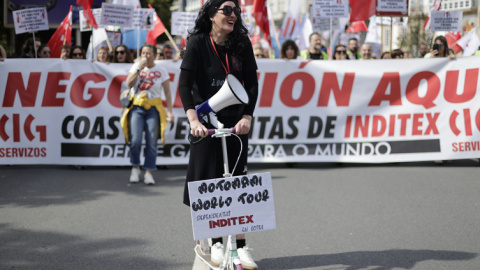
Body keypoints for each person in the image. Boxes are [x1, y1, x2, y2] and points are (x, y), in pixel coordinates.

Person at [178, 0, 259, 269]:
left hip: (235, 125)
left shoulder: (242, 43)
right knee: (207, 185)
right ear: (212, 14)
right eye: (227, 9)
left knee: (238, 185)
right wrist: (193, 118)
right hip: (204, 121)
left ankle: (241, 246)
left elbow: (252, 83)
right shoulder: (198, 42)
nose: (233, 14)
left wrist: (247, 115)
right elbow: (185, 84)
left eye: (236, 10)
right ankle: (212, 242)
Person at [121, 43, 174, 185]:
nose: (145, 56)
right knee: (135, 140)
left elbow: (168, 92)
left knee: (151, 141)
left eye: (148, 53)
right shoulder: (136, 66)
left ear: (155, 55)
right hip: (137, 107)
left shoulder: (161, 70)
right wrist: (139, 68)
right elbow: (128, 83)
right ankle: (135, 167)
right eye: (143, 53)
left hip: (153, 108)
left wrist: (169, 110)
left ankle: (149, 171)